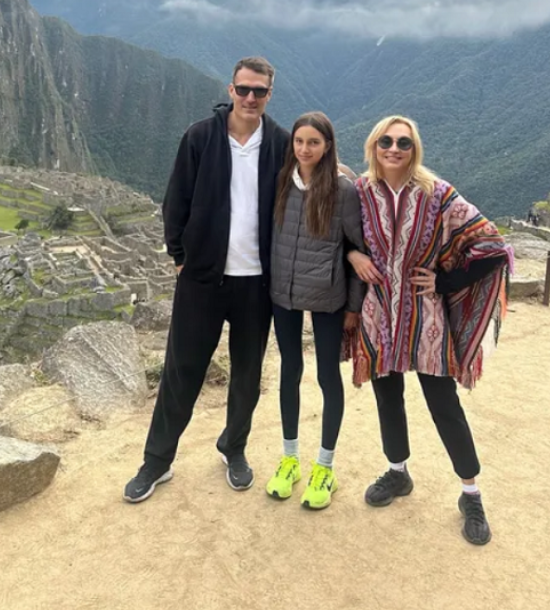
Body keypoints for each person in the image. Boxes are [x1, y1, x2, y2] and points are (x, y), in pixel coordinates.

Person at [123, 57, 290, 503]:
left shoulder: (280, 143)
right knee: (182, 371)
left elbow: (313, 178)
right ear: (230, 90)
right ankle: (156, 461)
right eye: (243, 89)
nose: (250, 98)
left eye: (259, 91)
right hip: (202, 279)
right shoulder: (200, 137)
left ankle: (233, 448)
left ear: (269, 95)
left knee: (248, 374)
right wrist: (180, 258)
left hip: (257, 282)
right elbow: (175, 199)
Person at [345, 115, 511, 544]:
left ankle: (470, 493)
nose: (394, 148)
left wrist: (446, 281)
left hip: (426, 317)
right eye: (386, 141)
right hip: (379, 316)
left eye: (403, 142)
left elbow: (492, 245)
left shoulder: (438, 195)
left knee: (443, 403)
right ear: (374, 145)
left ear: (414, 149)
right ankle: (397, 471)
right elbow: (334, 234)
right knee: (388, 397)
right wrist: (353, 256)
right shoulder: (360, 192)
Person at [266, 111, 365, 510]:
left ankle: (325, 466)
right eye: (299, 141)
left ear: (327, 146)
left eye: (313, 142)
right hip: (283, 293)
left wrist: (354, 307)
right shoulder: (281, 182)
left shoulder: (343, 190)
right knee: (289, 371)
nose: (305, 149)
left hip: (327, 296)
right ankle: (290, 458)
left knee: (327, 376)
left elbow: (358, 248)